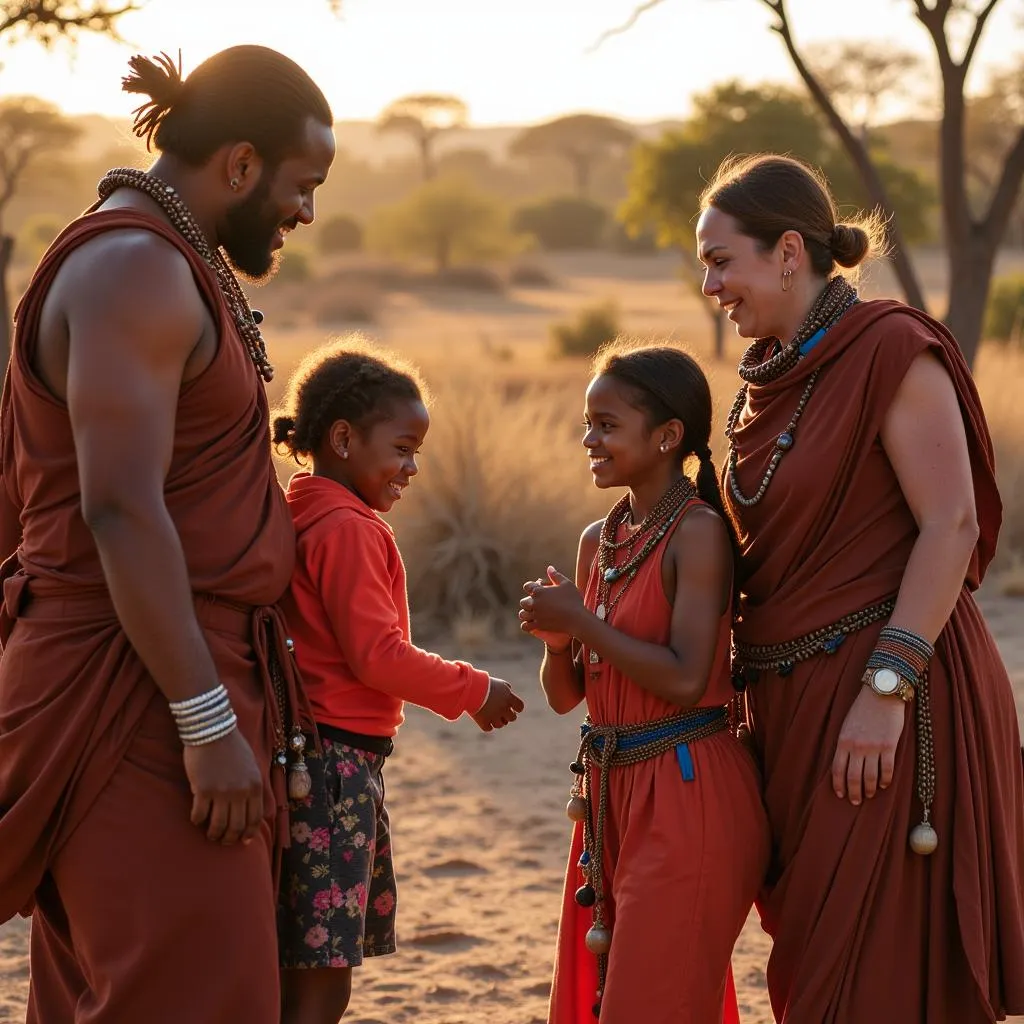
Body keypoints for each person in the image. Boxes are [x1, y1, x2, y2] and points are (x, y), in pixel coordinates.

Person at [0, 46, 335, 1023]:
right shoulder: (134, 268)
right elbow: (117, 507)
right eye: (301, 184)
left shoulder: (166, 256)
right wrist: (203, 720)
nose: (306, 212)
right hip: (137, 692)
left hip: (170, 669)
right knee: (191, 993)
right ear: (239, 164)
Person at [696, 153, 1024, 1023]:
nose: (709, 284)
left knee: (875, 982)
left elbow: (950, 523)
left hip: (895, 699)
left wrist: (884, 689)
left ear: (789, 252)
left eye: (722, 260)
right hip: (796, 708)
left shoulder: (889, 348)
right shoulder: (770, 375)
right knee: (814, 969)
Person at [271, 338, 525, 1024]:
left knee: (298, 958)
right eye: (403, 448)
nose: (413, 467)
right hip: (334, 773)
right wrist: (474, 690)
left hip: (313, 761)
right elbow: (377, 656)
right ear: (345, 438)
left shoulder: (302, 511)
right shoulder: (350, 529)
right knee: (324, 971)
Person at [518, 342, 770, 1024]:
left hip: (687, 788)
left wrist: (582, 622)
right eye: (587, 422)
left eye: (605, 424)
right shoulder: (597, 538)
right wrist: (556, 641)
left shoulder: (699, 533)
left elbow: (690, 679)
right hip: (607, 793)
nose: (587, 439)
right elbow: (566, 695)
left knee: (649, 1003)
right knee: (610, 998)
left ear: (666, 436)